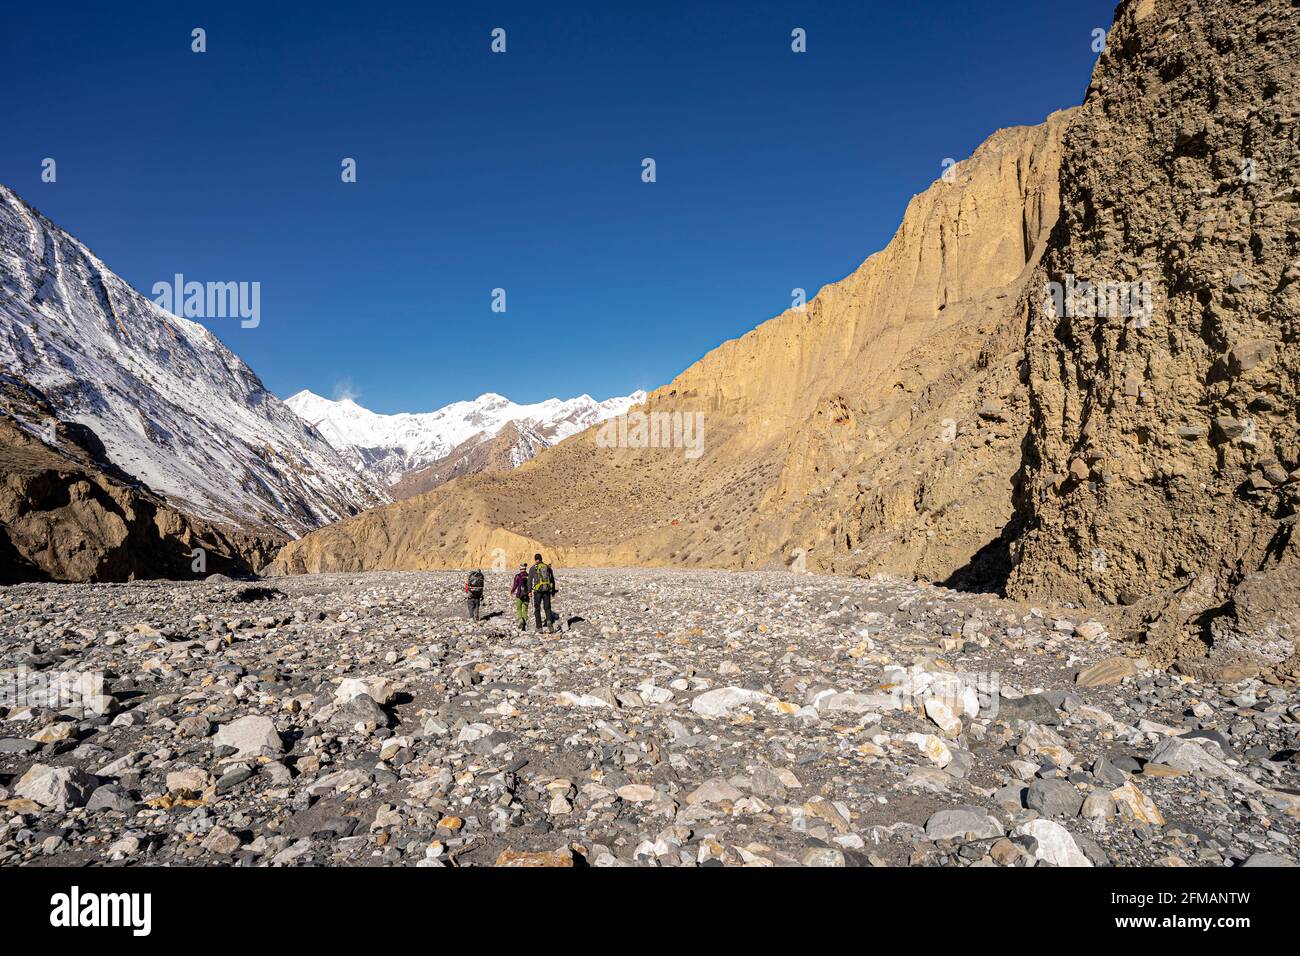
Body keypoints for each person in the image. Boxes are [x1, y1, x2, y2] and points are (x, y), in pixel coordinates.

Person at [528, 553, 557, 633]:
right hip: (547, 590)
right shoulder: (547, 567)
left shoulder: (533, 568)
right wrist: (553, 591)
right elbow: (552, 580)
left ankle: (539, 627)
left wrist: (529, 591)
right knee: (547, 608)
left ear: (535, 559)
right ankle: (549, 622)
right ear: (541, 558)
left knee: (537, 609)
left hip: (537, 591)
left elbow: (529, 580)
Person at [509, 562, 530, 631]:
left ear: (520, 569)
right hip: (527, 595)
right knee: (525, 610)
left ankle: (520, 619)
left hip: (519, 595)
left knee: (519, 609)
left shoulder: (517, 576)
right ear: (525, 568)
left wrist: (511, 592)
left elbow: (515, 585)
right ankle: (524, 625)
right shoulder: (528, 575)